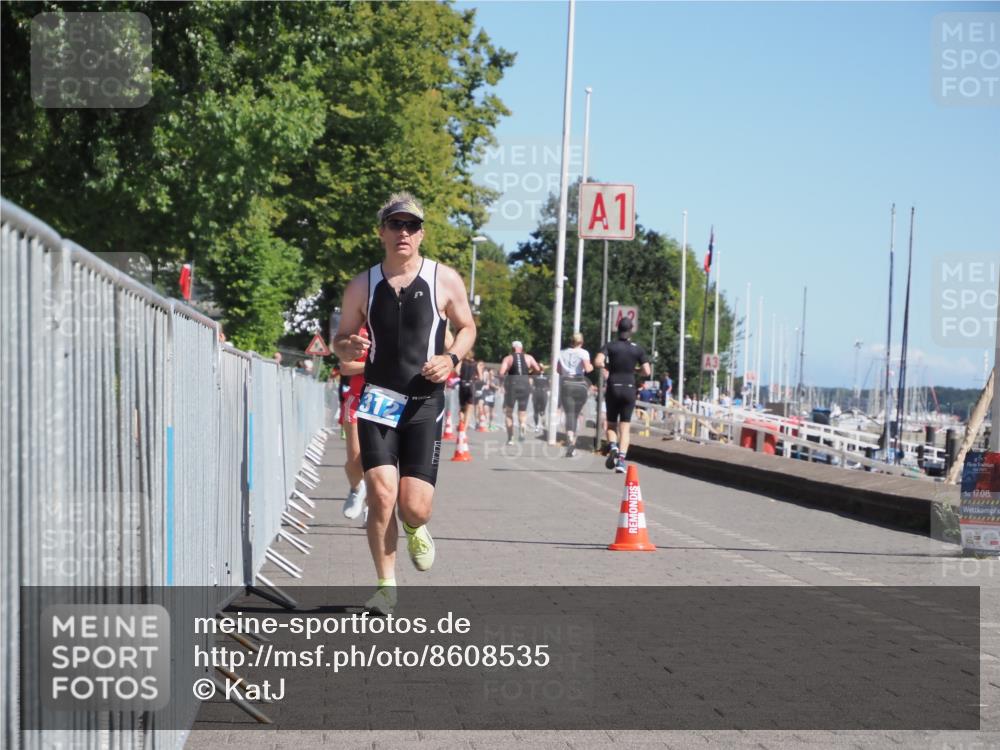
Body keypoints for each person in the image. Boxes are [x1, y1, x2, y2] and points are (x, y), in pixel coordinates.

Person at [333, 192, 475, 615]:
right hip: (378, 399)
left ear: (421, 234)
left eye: (411, 226)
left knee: (414, 505)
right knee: (381, 494)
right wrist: (348, 344)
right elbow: (341, 343)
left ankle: (415, 526)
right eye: (395, 224)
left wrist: (450, 358)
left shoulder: (443, 279)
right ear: (382, 232)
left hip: (424, 404)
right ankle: (386, 587)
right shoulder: (363, 284)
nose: (403, 233)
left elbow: (467, 328)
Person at [594, 318, 650, 473]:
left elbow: (597, 362)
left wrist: (608, 366)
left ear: (617, 329)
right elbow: (647, 371)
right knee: (624, 427)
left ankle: (613, 447)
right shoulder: (637, 349)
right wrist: (636, 371)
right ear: (631, 330)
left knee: (611, 424)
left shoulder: (610, 346)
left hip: (613, 386)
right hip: (629, 388)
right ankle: (621, 462)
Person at [340, 325, 369, 523]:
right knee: (355, 459)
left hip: (388, 403)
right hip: (357, 400)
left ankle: (373, 507)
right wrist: (375, 366)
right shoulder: (358, 331)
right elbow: (345, 366)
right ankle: (356, 489)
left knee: (379, 463)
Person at [557, 332, 593, 457]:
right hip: (580, 384)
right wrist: (592, 366)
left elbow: (558, 370)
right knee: (577, 415)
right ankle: (574, 442)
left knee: (569, 415)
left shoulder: (561, 353)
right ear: (581, 342)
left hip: (567, 384)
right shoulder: (584, 353)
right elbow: (588, 369)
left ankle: (570, 441)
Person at [499, 341, 541, 445]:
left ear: (512, 348)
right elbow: (538, 369)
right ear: (521, 348)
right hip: (525, 384)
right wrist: (530, 374)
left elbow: (501, 373)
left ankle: (510, 438)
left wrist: (505, 379)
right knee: (522, 412)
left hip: (512, 385)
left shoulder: (508, 358)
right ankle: (522, 426)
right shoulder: (529, 357)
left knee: (509, 412)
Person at [457, 351, 481, 429]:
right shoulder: (476, 363)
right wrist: (475, 378)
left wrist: (462, 375)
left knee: (462, 408)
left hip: (462, 384)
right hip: (471, 386)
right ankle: (464, 430)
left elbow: (457, 372)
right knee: (469, 409)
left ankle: (461, 421)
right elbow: (480, 377)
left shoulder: (461, 362)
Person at [531, 364, 549, 434]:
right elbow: (532, 384)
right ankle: (537, 426)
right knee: (535, 410)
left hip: (544, 393)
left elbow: (549, 384)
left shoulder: (547, 376)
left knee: (542, 410)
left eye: (542, 367)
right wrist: (532, 389)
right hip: (536, 393)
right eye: (539, 367)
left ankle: (543, 415)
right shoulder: (535, 375)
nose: (541, 369)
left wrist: (548, 390)